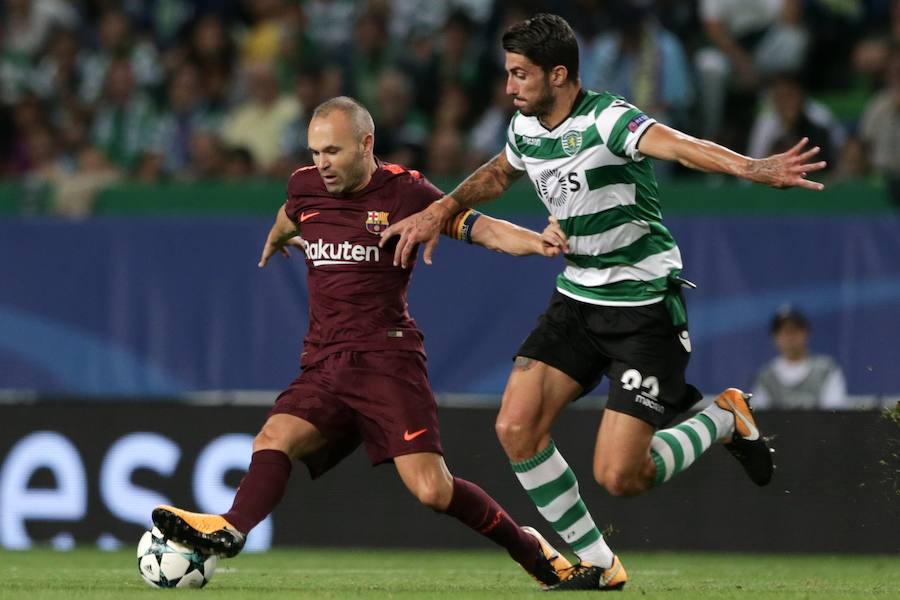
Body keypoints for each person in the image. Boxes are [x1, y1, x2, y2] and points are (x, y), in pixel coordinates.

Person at [380, 13, 827, 591]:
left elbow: (681, 147)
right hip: (577, 297)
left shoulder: (608, 119)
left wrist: (750, 167)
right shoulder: (526, 127)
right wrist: (441, 211)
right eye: (508, 73)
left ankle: (723, 417)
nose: (509, 86)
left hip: (643, 303)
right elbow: (497, 175)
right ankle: (598, 562)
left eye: (520, 74)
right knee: (516, 427)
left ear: (558, 74)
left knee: (620, 476)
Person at [151, 96, 575, 590]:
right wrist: (276, 237)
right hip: (325, 361)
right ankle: (231, 526)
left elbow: (481, 229)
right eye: (314, 152)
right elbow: (292, 214)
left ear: (366, 143)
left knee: (433, 491)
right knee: (273, 438)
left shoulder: (407, 192)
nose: (321, 164)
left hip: (387, 359)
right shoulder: (304, 186)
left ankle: (530, 547)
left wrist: (537, 241)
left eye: (332, 151)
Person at [752, 306, 847, 409]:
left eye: (794, 330)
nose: (789, 337)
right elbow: (760, 418)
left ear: (806, 333)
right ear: (775, 337)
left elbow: (835, 414)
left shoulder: (826, 369)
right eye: (783, 332)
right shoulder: (765, 377)